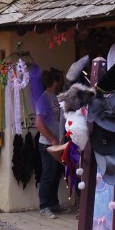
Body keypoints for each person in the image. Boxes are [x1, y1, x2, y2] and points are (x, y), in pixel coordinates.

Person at [35, 68, 66, 218]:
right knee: (47, 174)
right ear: (54, 82)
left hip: (58, 142)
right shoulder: (43, 99)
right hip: (48, 143)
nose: (61, 83)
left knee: (56, 174)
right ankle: (44, 206)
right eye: (59, 80)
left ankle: (54, 203)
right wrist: (52, 138)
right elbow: (39, 123)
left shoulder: (58, 97)